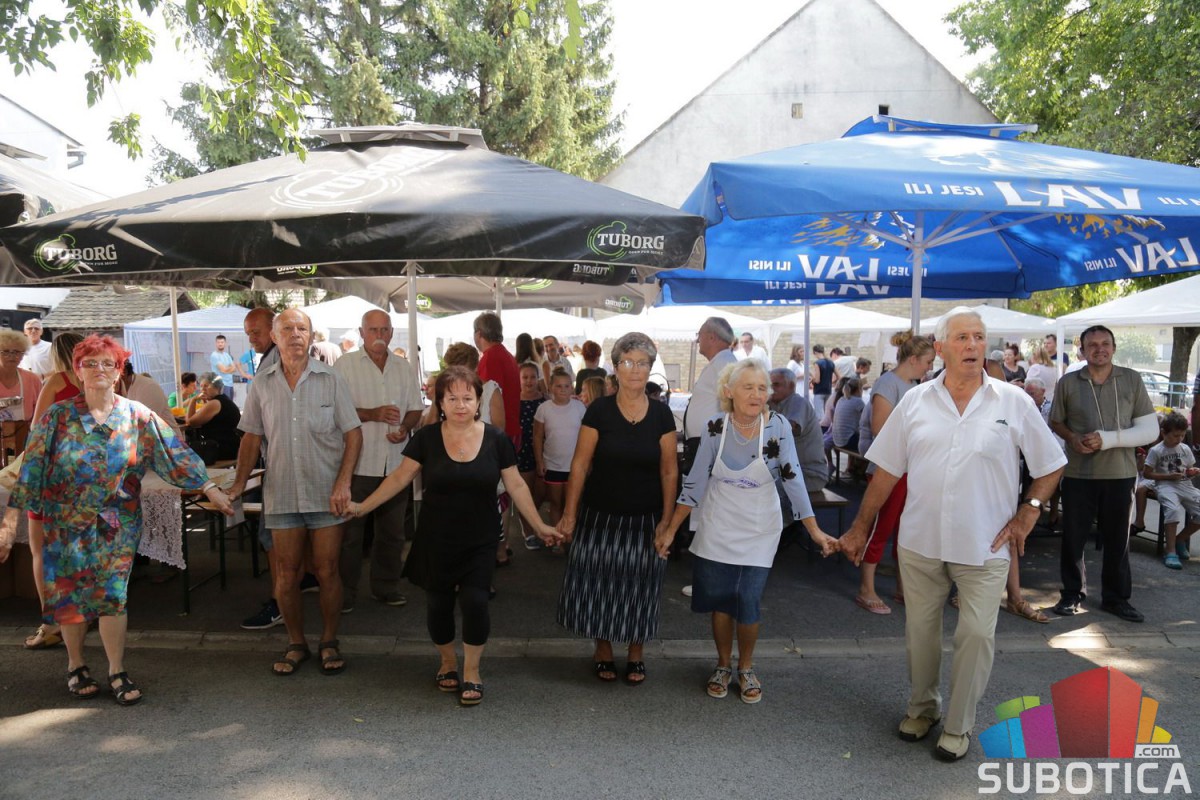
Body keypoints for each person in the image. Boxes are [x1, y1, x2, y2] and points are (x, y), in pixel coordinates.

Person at [840, 307, 1066, 762]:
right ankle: (922, 708)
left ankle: (959, 725)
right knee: (920, 635)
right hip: (920, 542)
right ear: (940, 348)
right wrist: (860, 527)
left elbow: (1051, 463)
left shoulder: (1013, 401)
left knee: (976, 636)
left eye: (979, 337)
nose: (972, 345)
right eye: (962, 338)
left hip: (985, 546)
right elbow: (886, 470)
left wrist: (1028, 513)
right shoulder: (915, 401)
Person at [0, 335, 234, 704]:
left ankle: (116, 669)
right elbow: (31, 468)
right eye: (90, 363)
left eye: (107, 363)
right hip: (66, 522)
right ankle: (76, 665)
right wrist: (9, 523)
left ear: (118, 371)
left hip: (117, 524)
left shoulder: (137, 415)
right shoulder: (57, 417)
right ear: (77, 372)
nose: (99, 369)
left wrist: (209, 488)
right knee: (72, 596)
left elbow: (173, 452)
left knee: (113, 597)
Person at [347, 366, 559, 705]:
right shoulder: (427, 438)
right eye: (452, 398)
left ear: (478, 402)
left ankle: (472, 670)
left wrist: (540, 526)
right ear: (441, 403)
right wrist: (362, 507)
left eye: (467, 398)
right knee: (439, 604)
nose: (460, 405)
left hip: (481, 537)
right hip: (436, 537)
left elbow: (517, 485)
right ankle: (447, 662)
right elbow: (399, 478)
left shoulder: (496, 439)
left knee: (476, 602)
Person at [658, 359, 838, 703]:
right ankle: (723, 665)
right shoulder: (715, 427)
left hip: (760, 529)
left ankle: (746, 666)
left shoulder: (778, 427)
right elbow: (694, 483)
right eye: (748, 387)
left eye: (762, 388)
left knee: (748, 600)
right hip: (719, 525)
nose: (757, 394)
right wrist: (670, 530)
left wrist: (814, 531)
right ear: (729, 392)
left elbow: (793, 480)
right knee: (721, 601)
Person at [228, 309, 362, 675]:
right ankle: (296, 643)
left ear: (311, 335)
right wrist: (239, 484)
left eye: (302, 328)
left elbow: (353, 434)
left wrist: (344, 482)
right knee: (286, 574)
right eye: (287, 328)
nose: (295, 334)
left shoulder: (331, 378)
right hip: (282, 492)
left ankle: (329, 641)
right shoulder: (262, 382)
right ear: (275, 336)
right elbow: (251, 436)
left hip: (326, 491)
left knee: (327, 570)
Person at [556, 333, 678, 685]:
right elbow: (580, 465)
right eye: (628, 362)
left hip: (645, 518)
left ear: (650, 368)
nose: (635, 369)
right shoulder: (599, 411)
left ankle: (636, 654)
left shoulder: (661, 414)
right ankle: (603, 649)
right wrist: (569, 514)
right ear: (615, 368)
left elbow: (669, 471)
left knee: (641, 586)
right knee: (599, 584)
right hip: (600, 515)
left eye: (642, 363)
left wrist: (667, 521)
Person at [1049, 324, 1157, 623]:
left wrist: (1107, 439)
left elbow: (1150, 429)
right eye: (1092, 345)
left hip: (1120, 473)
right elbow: (1056, 421)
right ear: (1082, 351)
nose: (1099, 349)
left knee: (1118, 540)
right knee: (1073, 538)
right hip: (1078, 473)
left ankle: (1116, 598)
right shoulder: (1068, 382)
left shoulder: (1132, 379)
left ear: (1114, 347)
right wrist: (1072, 438)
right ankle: (1072, 594)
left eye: (1105, 343)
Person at [333, 309, 425, 611]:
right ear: (361, 333)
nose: (379, 335)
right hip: (357, 463)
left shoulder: (403, 367)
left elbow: (415, 409)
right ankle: (345, 593)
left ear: (392, 332)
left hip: (395, 464)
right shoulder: (345, 365)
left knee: (392, 533)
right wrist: (372, 414)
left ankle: (385, 587)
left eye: (384, 329)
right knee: (350, 534)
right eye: (373, 330)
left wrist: (406, 428)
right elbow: (334, 410)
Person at [853, 330, 936, 615]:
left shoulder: (911, 385)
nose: (930, 368)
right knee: (881, 528)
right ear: (914, 359)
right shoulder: (888, 383)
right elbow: (880, 428)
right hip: (888, 469)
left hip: (908, 468)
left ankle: (902, 586)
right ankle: (866, 588)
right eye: (928, 361)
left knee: (905, 530)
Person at [17, 332, 85, 651]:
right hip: (88, 477)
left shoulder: (57, 381)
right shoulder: (105, 383)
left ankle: (51, 624)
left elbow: (37, 430)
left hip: (53, 474)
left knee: (41, 550)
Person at [234, 307, 289, 631]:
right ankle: (291, 591)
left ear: (273, 330)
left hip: (282, 467)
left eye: (256, 332)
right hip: (282, 463)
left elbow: (253, 431)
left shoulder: (274, 364)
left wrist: (239, 482)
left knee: (272, 536)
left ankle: (280, 602)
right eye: (248, 333)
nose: (251, 339)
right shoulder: (272, 361)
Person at [1143, 412, 1198, 570]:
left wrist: (1192, 472)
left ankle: (1180, 539)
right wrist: (1167, 476)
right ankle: (1170, 551)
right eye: (1175, 435)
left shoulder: (1185, 449)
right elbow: (1147, 474)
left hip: (1185, 485)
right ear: (1163, 433)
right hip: (1165, 485)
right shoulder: (1156, 450)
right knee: (1172, 510)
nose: (1179, 439)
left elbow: (1188, 469)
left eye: (1182, 435)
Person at [534, 368, 586, 530]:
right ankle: (558, 537)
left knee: (572, 505)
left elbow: (587, 437)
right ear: (550, 387)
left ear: (572, 388)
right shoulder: (544, 408)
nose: (563, 390)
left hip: (575, 466)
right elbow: (537, 437)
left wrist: (588, 461)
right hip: (553, 465)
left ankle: (570, 536)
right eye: (558, 386)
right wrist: (539, 461)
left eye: (566, 386)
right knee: (556, 503)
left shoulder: (579, 408)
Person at [767, 367, 827, 493]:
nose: (771, 389)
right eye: (769, 385)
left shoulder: (798, 402)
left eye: (776, 385)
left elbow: (787, 429)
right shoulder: (775, 404)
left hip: (809, 474)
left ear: (791, 386)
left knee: (762, 490)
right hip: (789, 471)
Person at [473, 312, 520, 448]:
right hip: (510, 427)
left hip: (499, 432)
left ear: (479, 333)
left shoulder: (490, 358)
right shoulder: (506, 355)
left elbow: (487, 399)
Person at [516, 361, 547, 550]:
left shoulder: (546, 401)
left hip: (544, 452)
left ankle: (533, 522)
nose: (529, 381)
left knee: (540, 493)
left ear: (538, 379)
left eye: (532, 377)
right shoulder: (513, 401)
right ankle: (528, 531)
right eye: (525, 377)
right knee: (524, 494)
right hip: (522, 452)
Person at [183, 374, 242, 461]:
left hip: (220, 449)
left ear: (217, 387)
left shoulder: (215, 403)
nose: (202, 389)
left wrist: (193, 400)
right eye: (201, 386)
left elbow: (190, 422)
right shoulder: (223, 400)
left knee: (183, 451)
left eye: (206, 386)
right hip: (231, 446)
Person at [0, 328, 43, 429]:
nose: (11, 356)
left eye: (16, 352)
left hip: (24, 434)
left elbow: (42, 413)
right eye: (5, 351)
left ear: (23, 354)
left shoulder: (32, 379)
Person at [831, 377, 864, 453]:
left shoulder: (841, 399)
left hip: (837, 440)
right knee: (870, 442)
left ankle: (852, 461)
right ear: (859, 389)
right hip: (847, 441)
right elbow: (868, 418)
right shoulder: (858, 401)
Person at [809, 344, 836, 417]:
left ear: (815, 352)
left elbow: (817, 380)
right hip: (828, 390)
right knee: (827, 414)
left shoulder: (817, 363)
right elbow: (839, 376)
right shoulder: (831, 363)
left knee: (819, 415)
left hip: (819, 391)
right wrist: (830, 382)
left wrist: (812, 380)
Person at [209, 335, 236, 400]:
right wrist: (229, 368)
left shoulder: (227, 355)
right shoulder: (214, 355)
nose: (220, 344)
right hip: (221, 384)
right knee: (223, 404)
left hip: (230, 384)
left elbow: (234, 369)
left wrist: (227, 369)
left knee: (230, 404)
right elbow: (223, 370)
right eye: (218, 342)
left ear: (225, 343)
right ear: (216, 343)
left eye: (222, 342)